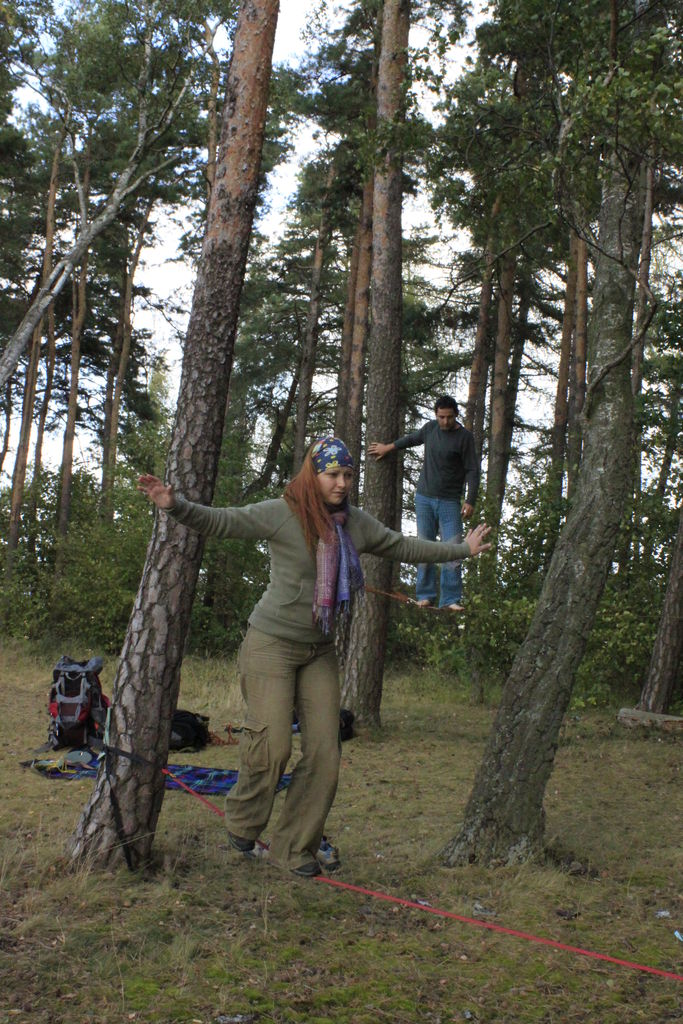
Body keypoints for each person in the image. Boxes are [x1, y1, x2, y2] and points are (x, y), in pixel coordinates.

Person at [138, 436, 490, 879]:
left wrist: (462, 550)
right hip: (270, 643)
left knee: (325, 753)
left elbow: (403, 546)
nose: (341, 483)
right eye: (332, 475)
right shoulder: (283, 512)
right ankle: (243, 822)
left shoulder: (354, 523)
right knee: (274, 745)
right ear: (313, 474)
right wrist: (175, 505)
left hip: (319, 648)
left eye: (347, 475)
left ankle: (293, 847)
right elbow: (224, 522)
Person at [368, 396, 480, 612]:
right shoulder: (430, 429)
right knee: (424, 545)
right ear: (436, 415)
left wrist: (470, 499)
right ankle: (425, 595)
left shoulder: (464, 438)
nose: (445, 422)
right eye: (441, 417)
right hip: (424, 498)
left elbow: (472, 470)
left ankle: (450, 599)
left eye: (449, 417)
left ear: (456, 415)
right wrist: (387, 447)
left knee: (455, 548)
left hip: (450, 501)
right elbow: (410, 440)